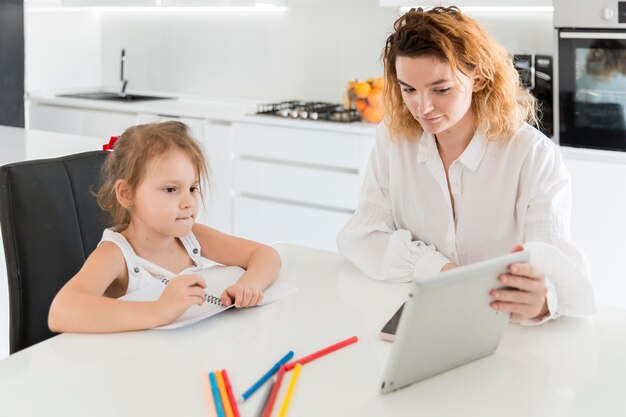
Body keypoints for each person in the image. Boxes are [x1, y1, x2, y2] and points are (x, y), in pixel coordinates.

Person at [337, 6, 596, 324]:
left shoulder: (532, 154)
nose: (423, 106)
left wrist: (542, 301)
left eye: (441, 89)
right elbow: (360, 236)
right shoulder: (393, 141)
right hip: (422, 315)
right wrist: (442, 270)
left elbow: (562, 276)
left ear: (478, 78)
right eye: (409, 90)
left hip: (502, 328)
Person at [48, 121, 282, 333]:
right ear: (126, 194)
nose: (188, 202)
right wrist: (159, 311)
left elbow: (265, 255)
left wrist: (248, 285)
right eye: (171, 190)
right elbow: (61, 312)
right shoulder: (117, 255)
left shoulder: (192, 238)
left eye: (192, 188)